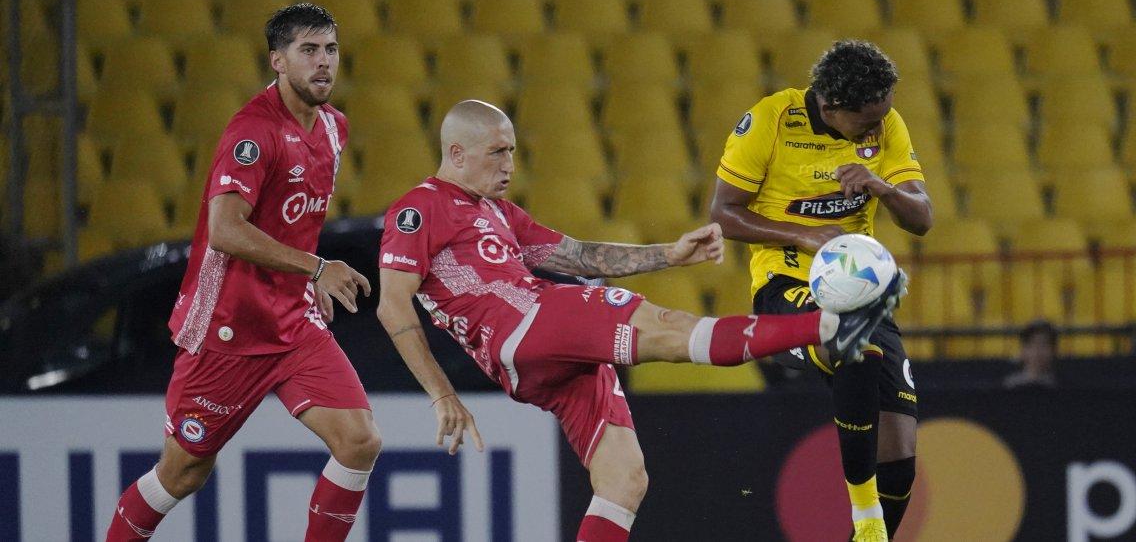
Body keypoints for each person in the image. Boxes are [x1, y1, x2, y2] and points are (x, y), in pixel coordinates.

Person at [374, 100, 904, 542]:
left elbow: (579, 256)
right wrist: (442, 395)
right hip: (530, 322)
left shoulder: (497, 212)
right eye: (497, 152)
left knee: (624, 481)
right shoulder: (418, 209)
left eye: (512, 150)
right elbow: (392, 304)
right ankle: (829, 327)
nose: (509, 163)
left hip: (535, 365)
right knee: (672, 328)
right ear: (457, 153)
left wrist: (669, 255)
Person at [105, 4, 377, 542]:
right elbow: (226, 230)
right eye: (308, 51)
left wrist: (305, 280)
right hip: (228, 326)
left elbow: (295, 214)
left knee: (359, 441)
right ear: (277, 60)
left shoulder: (333, 128)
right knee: (182, 474)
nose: (323, 63)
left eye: (330, 50)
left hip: (292, 322)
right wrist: (317, 268)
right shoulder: (252, 131)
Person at [710, 40, 933, 542]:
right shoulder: (770, 121)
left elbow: (922, 220)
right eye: (867, 122)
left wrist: (885, 187)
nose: (877, 129)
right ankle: (865, 514)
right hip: (785, 289)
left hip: (864, 295)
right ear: (830, 107)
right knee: (853, 345)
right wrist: (802, 234)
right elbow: (722, 215)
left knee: (899, 461)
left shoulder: (886, 123)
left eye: (883, 117)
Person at [1003, 320, 1059, 389]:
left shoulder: (1061, 386)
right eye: (1032, 345)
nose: (1037, 351)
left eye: (1043, 345)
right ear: (1023, 350)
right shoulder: (1010, 385)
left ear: (1053, 350)